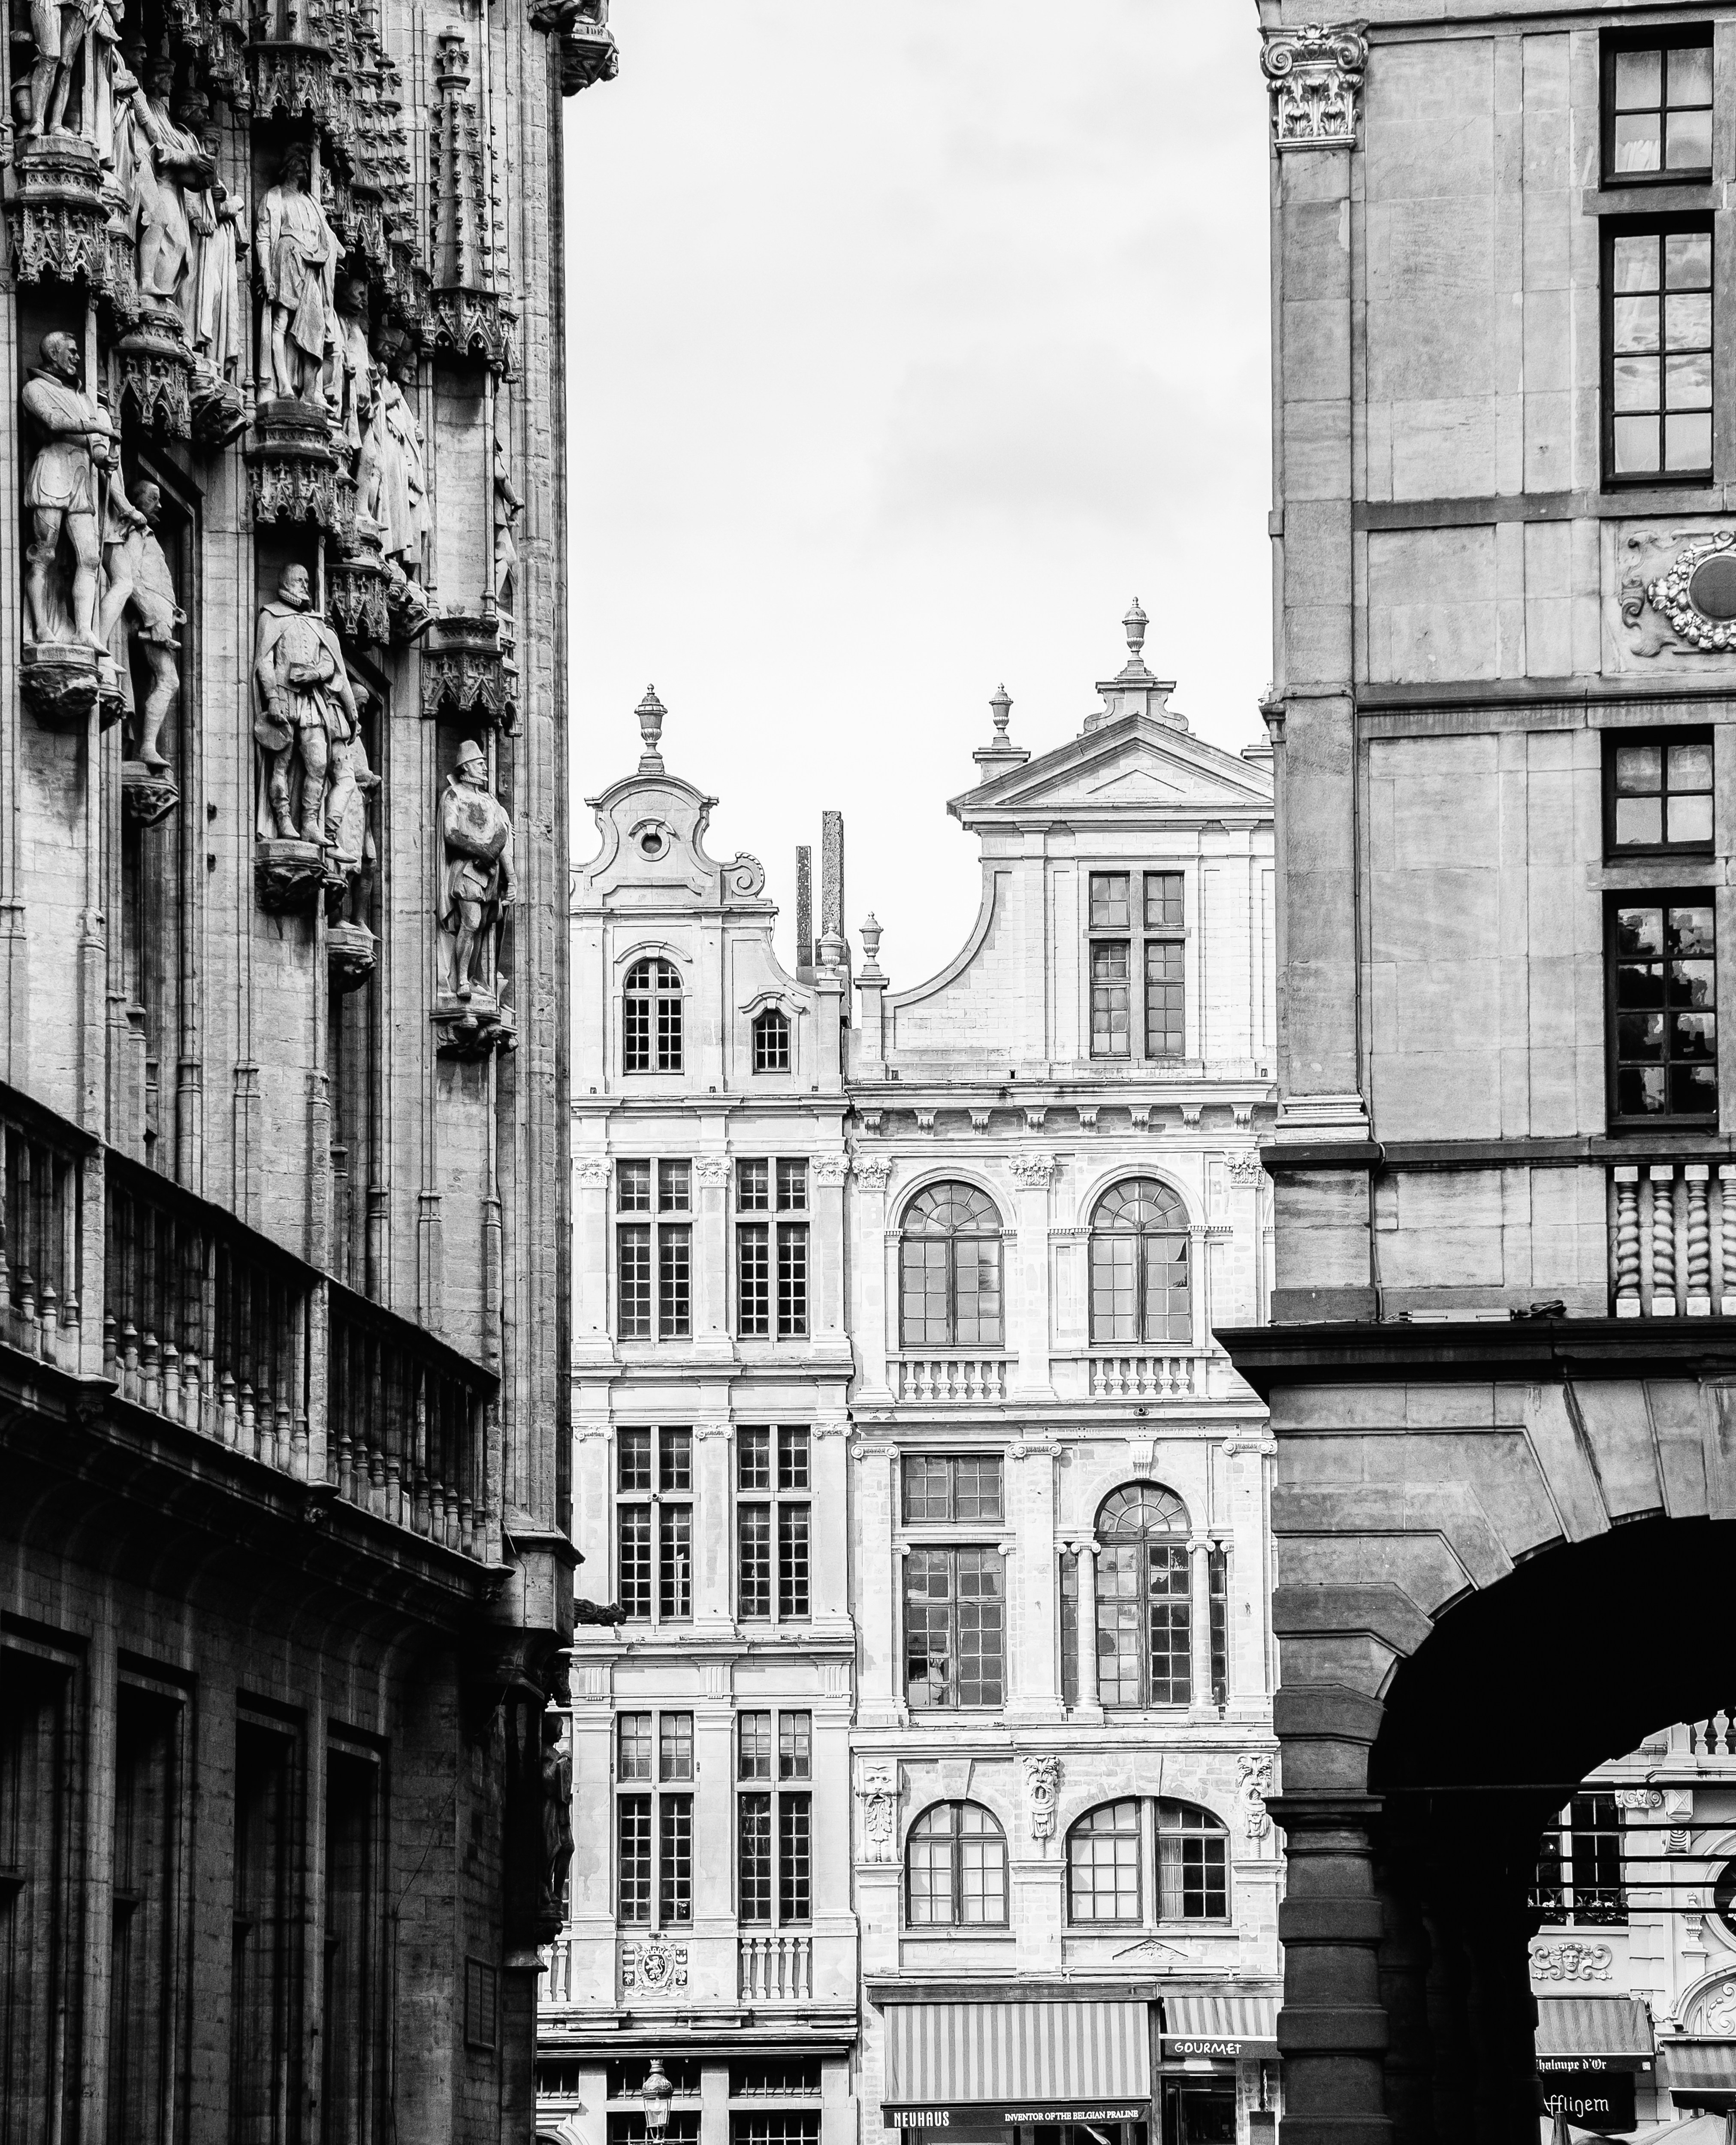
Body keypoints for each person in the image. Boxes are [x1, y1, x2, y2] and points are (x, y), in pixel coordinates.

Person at [21, 331, 121, 651]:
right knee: (44, 554)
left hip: (79, 477)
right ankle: (41, 628)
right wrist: (95, 427)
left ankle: (83, 630)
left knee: (90, 558)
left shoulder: (82, 398)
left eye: (80, 352)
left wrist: (106, 459)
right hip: (51, 472)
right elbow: (52, 422)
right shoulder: (34, 388)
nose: (78, 358)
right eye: (72, 352)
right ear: (53, 354)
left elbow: (95, 449)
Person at [252, 562, 359, 843]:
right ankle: (283, 820)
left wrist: (314, 673)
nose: (305, 586)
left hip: (311, 698)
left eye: (307, 581)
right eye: (300, 580)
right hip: (284, 695)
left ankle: (310, 823)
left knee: (319, 763)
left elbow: (329, 662)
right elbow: (265, 660)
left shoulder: (316, 621)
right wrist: (272, 699)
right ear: (286, 581)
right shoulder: (271, 615)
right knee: (281, 764)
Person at [255, 144, 338, 404]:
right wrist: (266, 272)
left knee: (313, 326)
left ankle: (311, 390)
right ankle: (283, 386)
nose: (305, 167)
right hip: (286, 258)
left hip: (311, 265)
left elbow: (326, 236)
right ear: (289, 165)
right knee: (282, 320)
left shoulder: (311, 202)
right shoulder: (275, 196)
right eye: (300, 162)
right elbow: (264, 237)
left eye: (306, 162)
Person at [438, 740, 513, 1002]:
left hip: (488, 870)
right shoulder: (454, 795)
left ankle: (473, 977)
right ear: (467, 767)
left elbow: (501, 831)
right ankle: (460, 980)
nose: (485, 769)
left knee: (482, 924)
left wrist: (491, 853)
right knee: (469, 922)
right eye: (481, 764)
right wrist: (480, 852)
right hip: (468, 868)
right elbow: (451, 833)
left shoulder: (489, 799)